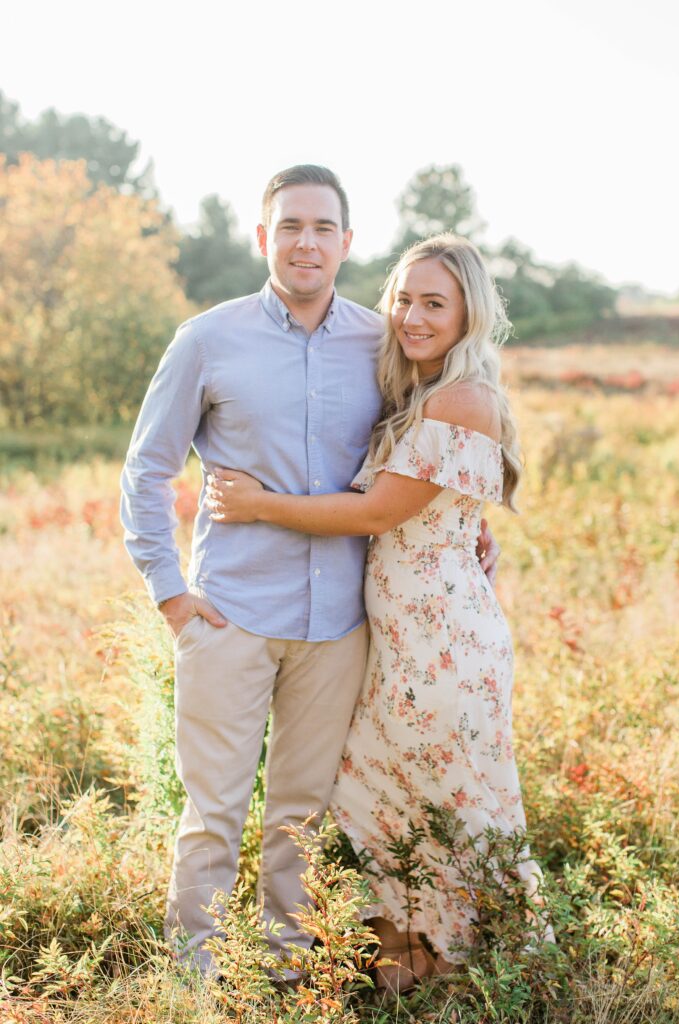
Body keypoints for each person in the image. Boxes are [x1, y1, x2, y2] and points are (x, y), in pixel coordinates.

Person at [120, 165, 499, 976]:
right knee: (214, 811)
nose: (306, 242)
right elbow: (145, 471)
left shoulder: (382, 339)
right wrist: (172, 597)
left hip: (340, 627)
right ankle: (201, 973)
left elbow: (435, 435)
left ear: (347, 243)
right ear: (264, 238)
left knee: (303, 814)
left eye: (323, 227)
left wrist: (464, 529)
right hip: (230, 615)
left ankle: (290, 966)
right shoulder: (207, 340)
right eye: (290, 225)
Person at [206, 233, 549, 990]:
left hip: (443, 645)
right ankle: (409, 965)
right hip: (401, 642)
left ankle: (491, 969)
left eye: (435, 303)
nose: (413, 316)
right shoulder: (415, 393)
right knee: (381, 792)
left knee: (449, 803)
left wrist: (259, 502)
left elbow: (375, 515)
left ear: (469, 314)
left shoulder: (462, 398)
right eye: (403, 298)